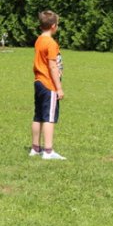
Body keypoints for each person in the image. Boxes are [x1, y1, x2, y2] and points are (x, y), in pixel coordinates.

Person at [31, 10, 65, 160]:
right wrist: (58, 88)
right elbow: (52, 66)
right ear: (53, 26)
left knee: (38, 116)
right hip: (48, 84)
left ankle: (35, 148)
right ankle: (48, 151)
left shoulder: (39, 40)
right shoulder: (51, 43)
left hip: (38, 82)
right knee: (49, 118)